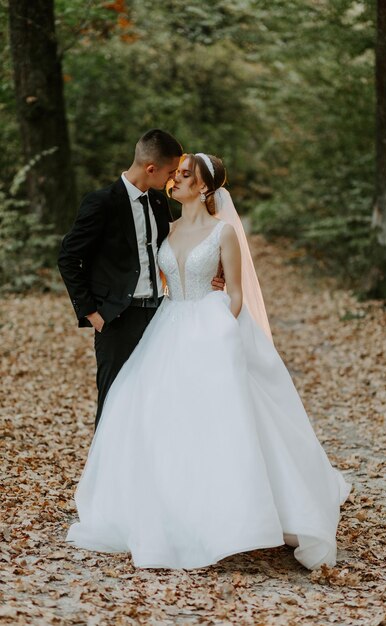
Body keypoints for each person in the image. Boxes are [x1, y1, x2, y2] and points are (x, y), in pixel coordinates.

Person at [65, 152, 352, 571]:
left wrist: (219, 327)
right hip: (167, 327)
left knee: (220, 420)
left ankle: (237, 514)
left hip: (209, 325)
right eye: (176, 173)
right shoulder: (168, 226)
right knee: (155, 415)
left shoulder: (224, 234)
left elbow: (234, 292)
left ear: (204, 188)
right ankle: (170, 511)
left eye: (185, 176)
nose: (175, 180)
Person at [57, 130, 224, 430]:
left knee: (156, 398)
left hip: (161, 316)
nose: (172, 180)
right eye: (171, 172)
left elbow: (180, 246)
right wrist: (91, 312)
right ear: (151, 169)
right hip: (117, 319)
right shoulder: (101, 203)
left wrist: (216, 268)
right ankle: (107, 475)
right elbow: (69, 258)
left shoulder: (160, 204)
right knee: (113, 400)